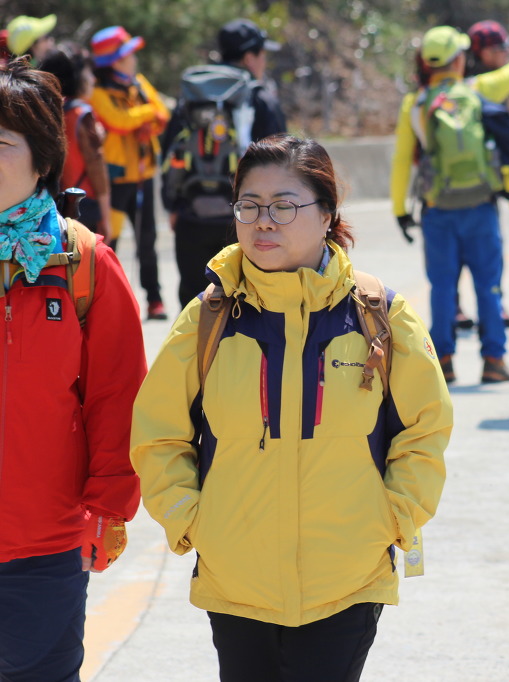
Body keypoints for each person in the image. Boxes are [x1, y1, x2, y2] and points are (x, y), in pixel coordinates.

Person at [130, 134, 451, 680]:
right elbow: (158, 434)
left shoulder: (379, 315)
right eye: (249, 206)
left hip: (347, 580)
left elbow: (425, 430)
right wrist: (194, 522)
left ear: (326, 214)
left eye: (283, 206)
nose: (263, 222)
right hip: (237, 581)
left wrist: (391, 519)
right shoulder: (207, 318)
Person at [0, 58, 146, 681]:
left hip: (46, 541)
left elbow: (119, 396)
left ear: (42, 159)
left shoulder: (82, 262)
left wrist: (108, 508)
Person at [390, 25, 509, 384]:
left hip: (438, 209)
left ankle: (444, 361)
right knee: (488, 286)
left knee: (442, 287)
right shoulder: (478, 89)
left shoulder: (415, 104)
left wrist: (400, 210)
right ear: (458, 60)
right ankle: (494, 361)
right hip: (480, 206)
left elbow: (402, 160)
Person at [161, 18, 287, 310]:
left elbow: (168, 151)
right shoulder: (259, 99)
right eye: (262, 54)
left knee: (195, 305)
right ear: (249, 57)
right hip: (245, 220)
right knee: (247, 305)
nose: (264, 61)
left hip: (191, 217)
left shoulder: (191, 99)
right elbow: (283, 163)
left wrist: (173, 206)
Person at [89, 25, 170, 320]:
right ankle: (105, 301)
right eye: (128, 54)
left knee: (147, 240)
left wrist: (146, 118)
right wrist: (146, 115)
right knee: (109, 241)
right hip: (116, 180)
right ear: (114, 62)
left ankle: (154, 299)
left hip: (143, 176)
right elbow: (118, 120)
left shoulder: (139, 83)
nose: (134, 59)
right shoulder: (97, 92)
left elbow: (163, 113)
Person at [39, 43, 113, 239]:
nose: (93, 79)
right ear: (76, 76)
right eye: (89, 73)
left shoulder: (42, 111)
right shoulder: (82, 115)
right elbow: (97, 169)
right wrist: (106, 218)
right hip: (82, 207)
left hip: (47, 207)